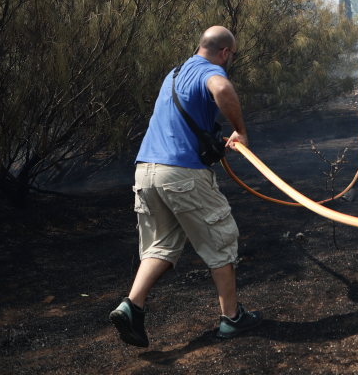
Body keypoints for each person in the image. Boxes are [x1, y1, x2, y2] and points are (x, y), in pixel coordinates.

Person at [109, 26, 261, 347]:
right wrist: (240, 131)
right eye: (232, 56)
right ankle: (232, 318)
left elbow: (180, 122)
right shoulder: (211, 72)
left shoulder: (174, 75)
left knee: (161, 245)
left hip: (146, 172)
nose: (230, 62)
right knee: (221, 240)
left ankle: (131, 306)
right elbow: (223, 89)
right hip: (182, 174)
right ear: (224, 53)